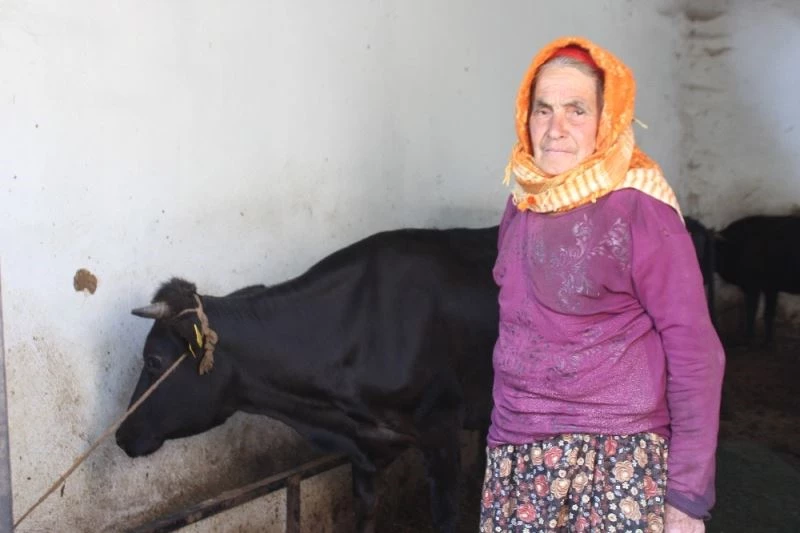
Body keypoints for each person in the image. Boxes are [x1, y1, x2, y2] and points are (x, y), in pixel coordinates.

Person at [480, 36, 725, 533]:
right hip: (515, 458)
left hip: (615, 462)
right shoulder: (524, 202)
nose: (556, 129)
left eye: (577, 110)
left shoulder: (640, 209)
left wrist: (687, 498)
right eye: (542, 109)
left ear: (607, 119)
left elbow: (696, 352)